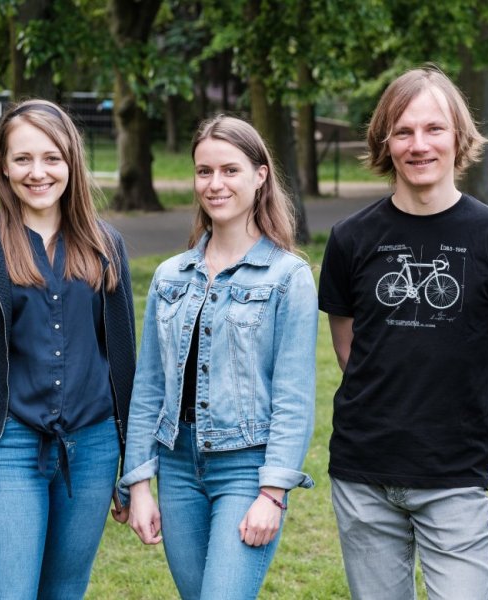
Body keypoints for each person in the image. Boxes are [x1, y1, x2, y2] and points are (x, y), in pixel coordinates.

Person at [318, 66, 488, 599]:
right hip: (363, 469)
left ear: (458, 136)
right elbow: (349, 348)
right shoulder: (349, 238)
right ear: (384, 141)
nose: (419, 145)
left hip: (454, 469)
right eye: (404, 131)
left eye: (434, 129)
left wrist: (463, 406)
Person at [0, 99, 137, 598]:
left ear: (72, 162)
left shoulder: (106, 245)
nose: (38, 172)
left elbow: (126, 364)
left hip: (91, 451)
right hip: (5, 448)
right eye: (23, 159)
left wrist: (134, 470)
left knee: (64, 593)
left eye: (52, 158)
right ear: (2, 165)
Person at [119, 115, 318, 599]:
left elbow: (294, 398)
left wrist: (272, 493)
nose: (215, 184)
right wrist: (139, 482)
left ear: (260, 174)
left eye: (230, 170)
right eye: (204, 171)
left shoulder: (288, 278)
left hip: (246, 470)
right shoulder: (170, 277)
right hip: (178, 467)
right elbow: (147, 387)